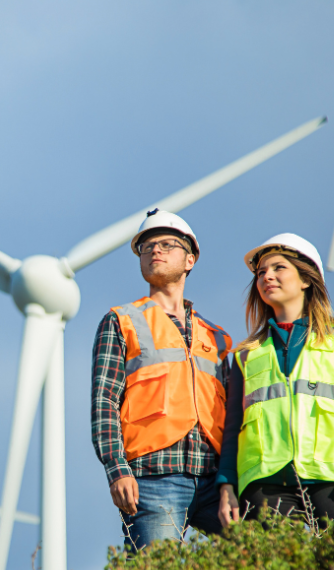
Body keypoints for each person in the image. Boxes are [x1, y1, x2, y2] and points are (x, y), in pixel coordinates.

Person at [91, 209, 232, 550]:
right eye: (146, 246)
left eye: (167, 244)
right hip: (153, 476)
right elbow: (104, 402)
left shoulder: (217, 337)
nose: (155, 250)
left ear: (190, 260)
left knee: (262, 563)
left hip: (215, 481)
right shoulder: (121, 321)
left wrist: (231, 481)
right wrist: (116, 468)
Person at [217, 233, 334, 527]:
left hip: (332, 478)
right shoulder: (244, 355)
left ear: (306, 279)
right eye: (261, 272)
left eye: (279, 268)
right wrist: (226, 485)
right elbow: (232, 428)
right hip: (263, 482)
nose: (267, 276)